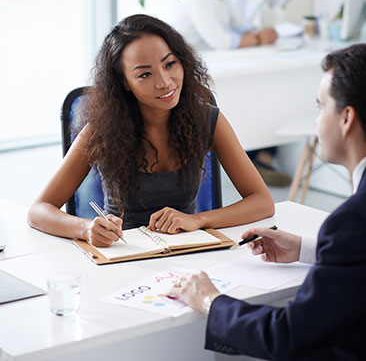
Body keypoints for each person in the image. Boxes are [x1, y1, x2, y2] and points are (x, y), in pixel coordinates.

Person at [167, 43, 366, 360]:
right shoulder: (351, 228)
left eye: (320, 107)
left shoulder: (352, 220)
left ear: (346, 118)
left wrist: (209, 300)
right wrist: (305, 248)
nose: (316, 122)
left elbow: (287, 337)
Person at [28, 14, 274, 248]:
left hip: (188, 253)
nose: (165, 81)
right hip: (124, 256)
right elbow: (39, 210)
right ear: (124, 82)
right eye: (145, 74)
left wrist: (198, 220)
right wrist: (86, 228)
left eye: (170, 64)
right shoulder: (101, 131)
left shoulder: (207, 120)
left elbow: (262, 201)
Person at [175, 0, 290, 187]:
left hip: (221, 67)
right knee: (246, 97)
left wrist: (259, 34)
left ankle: (260, 155)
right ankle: (254, 158)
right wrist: (257, 38)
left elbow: (241, 26)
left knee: (261, 88)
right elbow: (222, 40)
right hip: (197, 74)